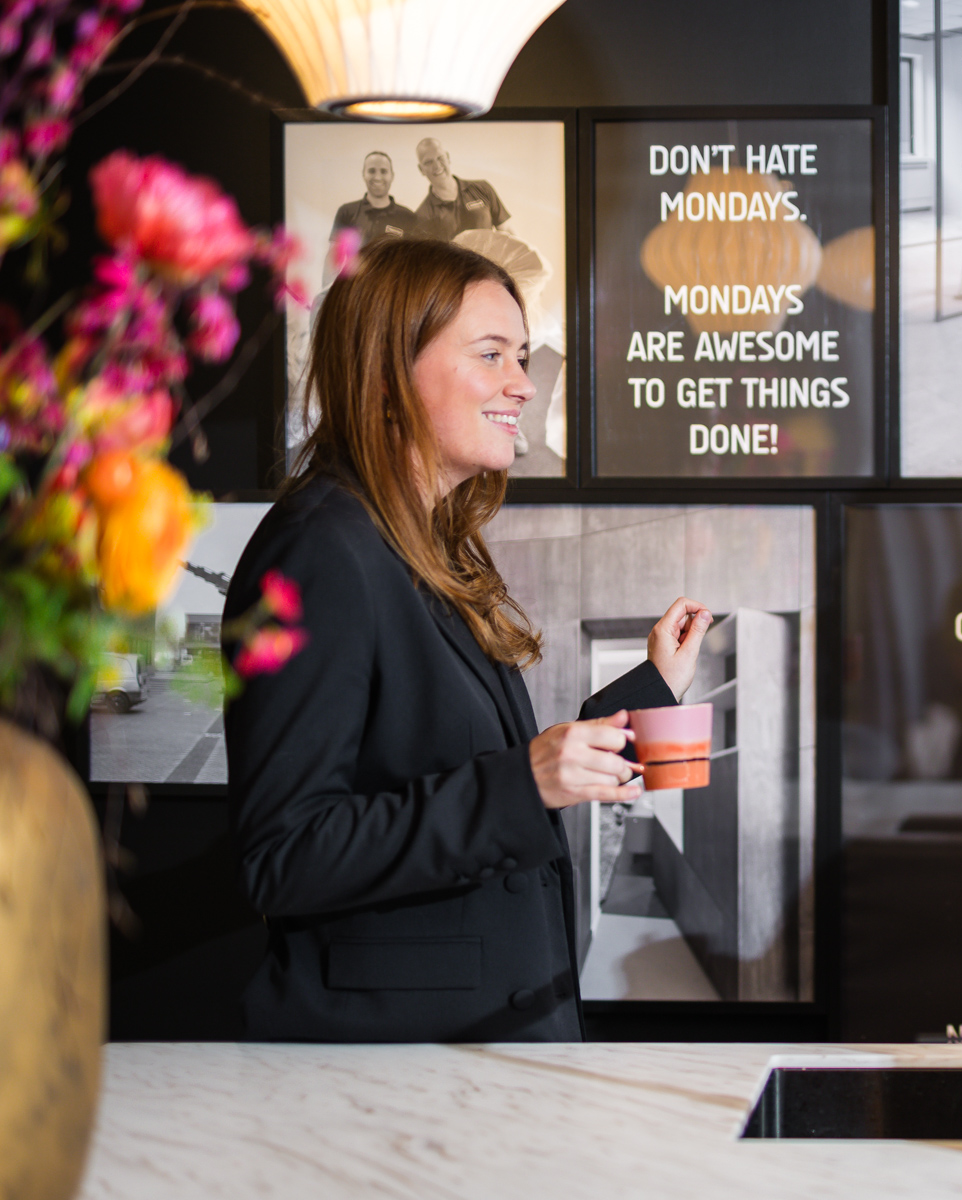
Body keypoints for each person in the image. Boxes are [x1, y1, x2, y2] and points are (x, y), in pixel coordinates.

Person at [223, 238, 712, 1041]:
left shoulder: (418, 542)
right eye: (491, 356)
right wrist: (523, 782)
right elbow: (286, 853)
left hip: (483, 1043)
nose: (523, 384)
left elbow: (474, 771)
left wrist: (649, 692)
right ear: (386, 374)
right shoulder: (321, 550)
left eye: (519, 356)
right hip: (401, 1070)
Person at [326, 151, 414, 284]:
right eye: (372, 171)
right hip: (355, 291)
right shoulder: (347, 212)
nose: (377, 177)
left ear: (392, 176)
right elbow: (333, 257)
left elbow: (414, 262)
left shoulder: (408, 217)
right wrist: (326, 295)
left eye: (384, 171)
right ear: (363, 174)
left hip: (393, 292)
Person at [411, 137, 512, 242]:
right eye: (428, 162)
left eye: (440, 157)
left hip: (489, 259)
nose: (437, 166)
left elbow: (506, 231)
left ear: (448, 158)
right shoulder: (423, 215)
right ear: (421, 169)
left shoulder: (482, 188)